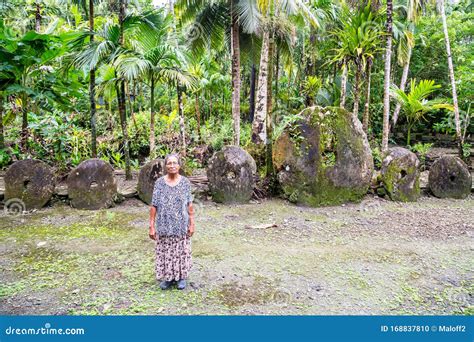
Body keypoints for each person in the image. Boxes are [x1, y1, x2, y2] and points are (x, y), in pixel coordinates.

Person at [149, 153, 195, 290]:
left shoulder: (185, 183)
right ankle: (168, 278)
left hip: (181, 224)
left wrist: (192, 223)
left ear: (179, 166)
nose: (172, 165)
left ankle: (181, 277)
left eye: (175, 163)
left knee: (181, 251)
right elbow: (154, 205)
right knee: (166, 251)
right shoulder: (159, 183)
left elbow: (190, 205)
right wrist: (151, 225)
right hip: (164, 224)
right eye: (169, 163)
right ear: (165, 166)